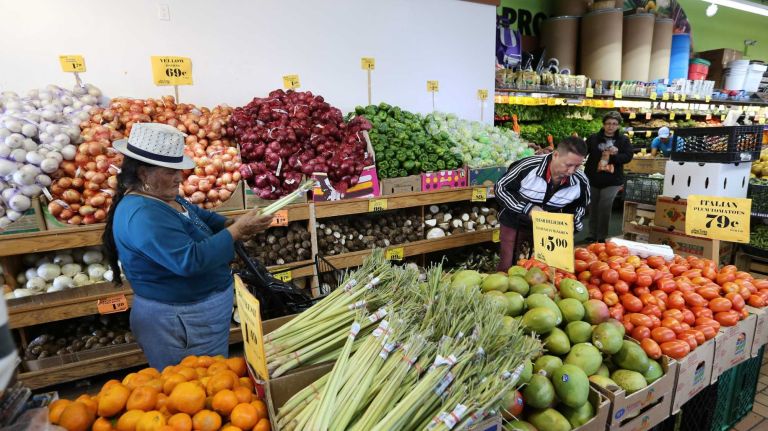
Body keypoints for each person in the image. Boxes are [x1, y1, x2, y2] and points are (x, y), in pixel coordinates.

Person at [103, 123, 274, 369]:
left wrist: (233, 223)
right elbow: (189, 260)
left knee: (212, 376)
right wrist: (237, 232)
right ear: (143, 174)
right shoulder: (142, 215)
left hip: (196, 318)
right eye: (170, 171)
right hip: (180, 322)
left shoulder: (164, 198)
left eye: (178, 169)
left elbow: (199, 217)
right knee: (191, 386)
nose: (178, 177)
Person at [495, 137, 591, 272]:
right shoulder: (528, 167)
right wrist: (528, 208)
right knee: (507, 265)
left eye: (577, 166)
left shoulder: (580, 181)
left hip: (549, 230)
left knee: (544, 271)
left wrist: (571, 224)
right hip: (514, 222)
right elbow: (501, 188)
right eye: (568, 165)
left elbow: (581, 206)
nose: (571, 171)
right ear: (556, 155)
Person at [584, 111, 634, 243]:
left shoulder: (623, 140)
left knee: (605, 206)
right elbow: (584, 152)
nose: (610, 126)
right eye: (608, 123)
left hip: (612, 180)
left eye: (614, 124)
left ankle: (601, 236)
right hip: (593, 177)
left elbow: (628, 157)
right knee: (593, 206)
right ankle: (591, 233)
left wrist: (613, 157)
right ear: (604, 124)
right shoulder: (593, 138)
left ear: (618, 126)